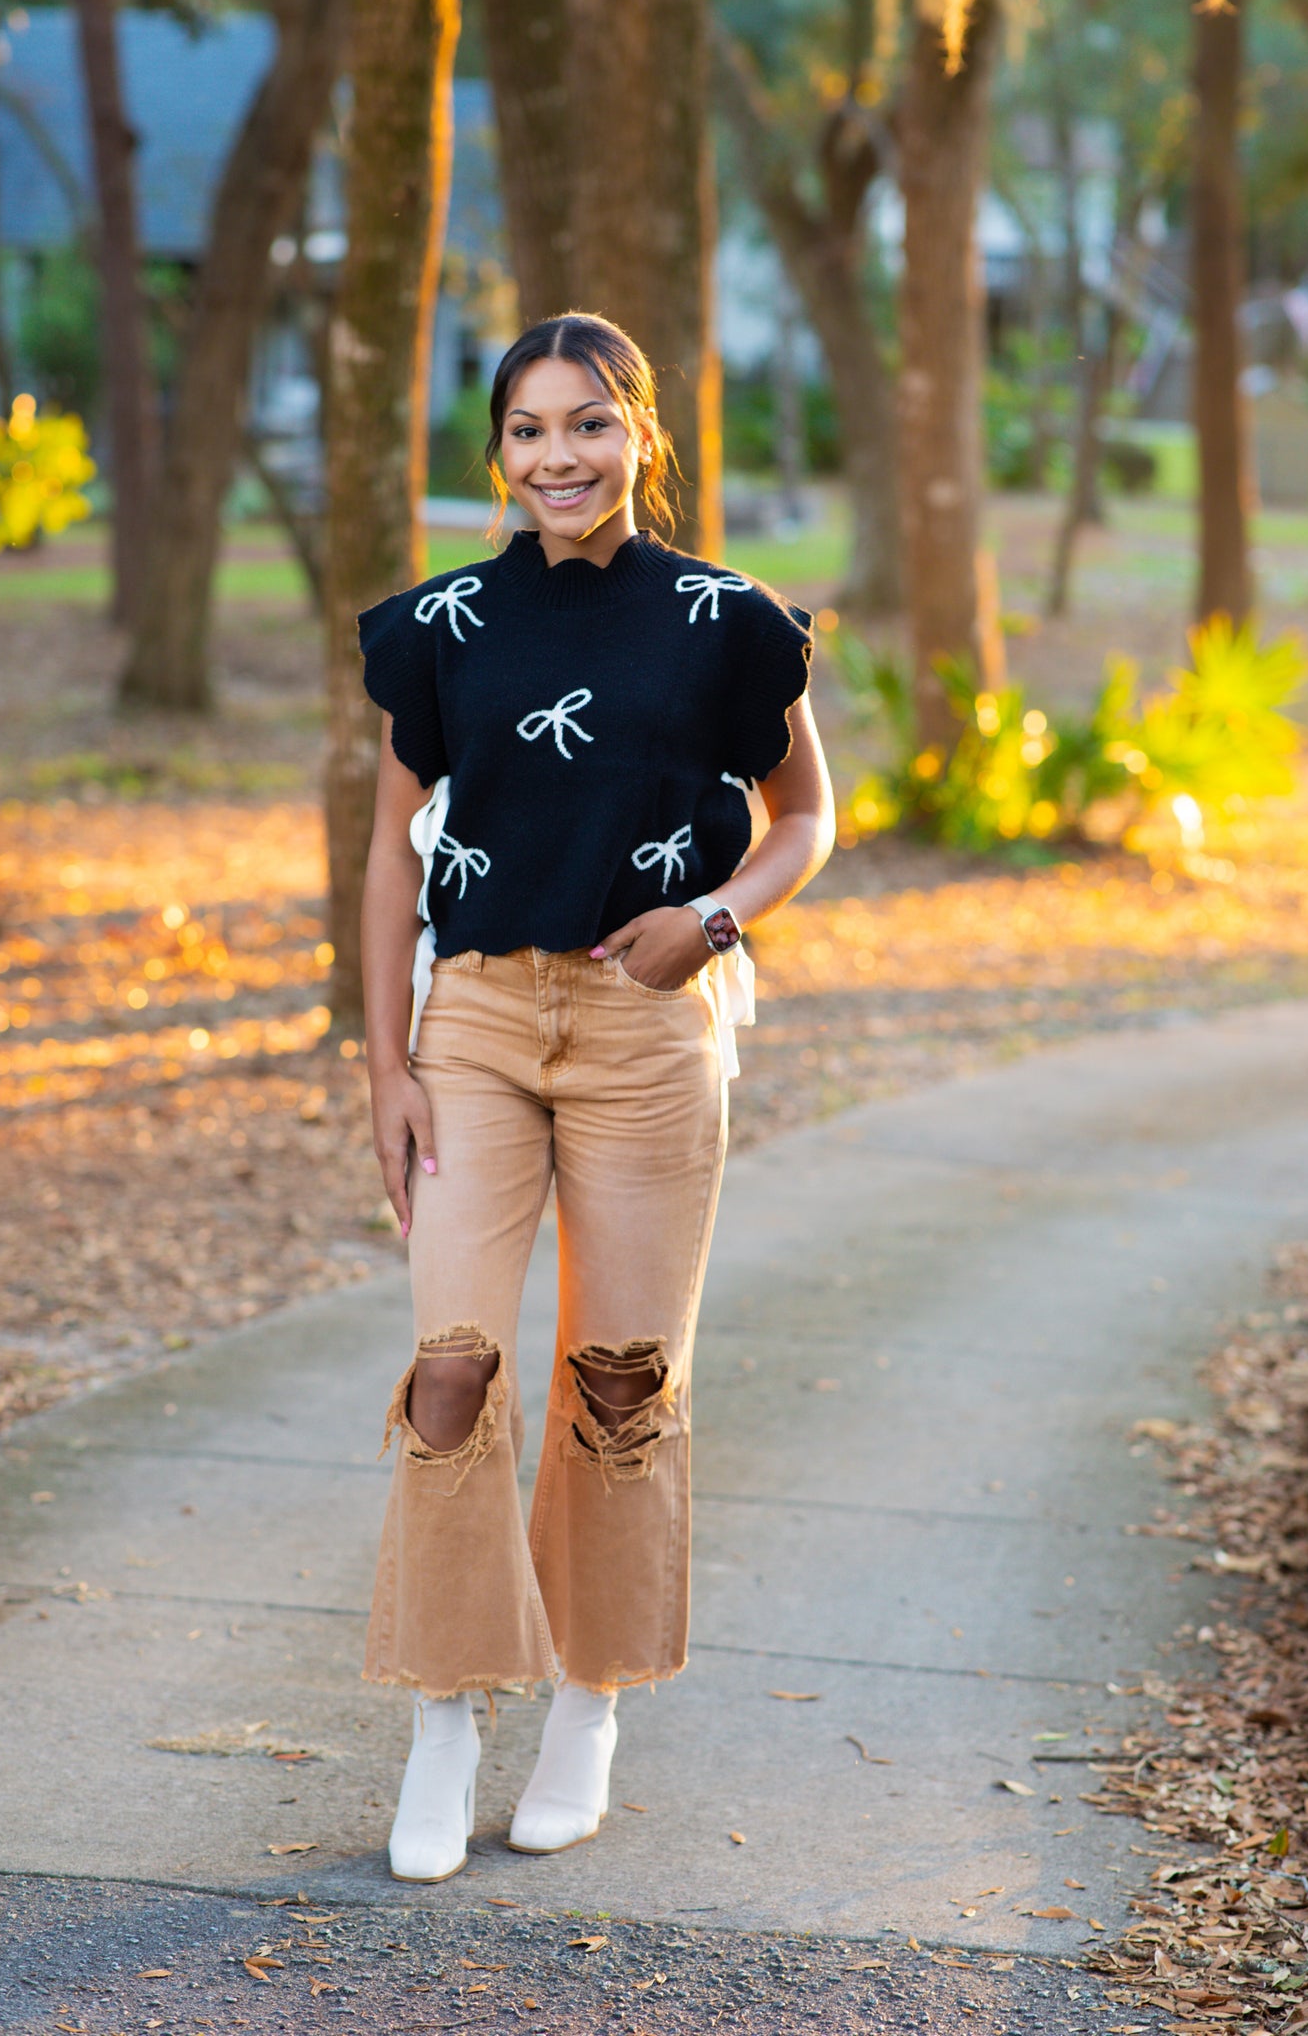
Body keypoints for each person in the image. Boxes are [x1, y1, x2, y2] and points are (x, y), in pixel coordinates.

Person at [355, 310, 834, 1882]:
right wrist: (385, 1064)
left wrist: (709, 922)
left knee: (622, 1379)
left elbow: (804, 815)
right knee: (451, 1367)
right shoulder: (439, 628)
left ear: (643, 433)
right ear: (495, 452)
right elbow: (388, 855)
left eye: (588, 425)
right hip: (478, 1017)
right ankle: (446, 1714)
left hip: (646, 1025)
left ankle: (586, 1701)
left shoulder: (724, 619)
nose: (557, 457)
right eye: (526, 431)